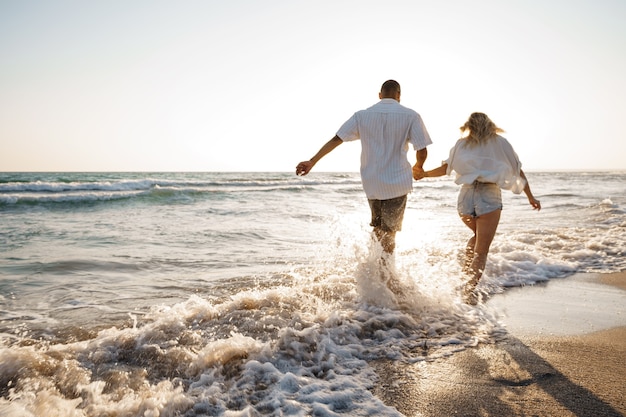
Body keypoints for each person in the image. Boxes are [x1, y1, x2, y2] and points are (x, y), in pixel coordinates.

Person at [296, 80, 432, 257]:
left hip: (372, 183)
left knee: (377, 227)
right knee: (390, 232)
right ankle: (386, 274)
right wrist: (419, 166)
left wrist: (312, 161)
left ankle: (374, 268)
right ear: (399, 95)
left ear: (380, 95)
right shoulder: (411, 115)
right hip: (397, 183)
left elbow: (337, 139)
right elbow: (421, 149)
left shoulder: (362, 115)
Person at [416, 112, 540, 304]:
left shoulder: (461, 144)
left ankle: (464, 279)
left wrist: (424, 175)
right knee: (481, 251)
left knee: (476, 238)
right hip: (489, 196)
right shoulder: (501, 143)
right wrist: (530, 196)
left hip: (465, 198)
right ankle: (467, 294)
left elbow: (446, 168)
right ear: (490, 125)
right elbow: (517, 170)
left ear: (469, 126)